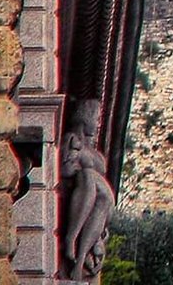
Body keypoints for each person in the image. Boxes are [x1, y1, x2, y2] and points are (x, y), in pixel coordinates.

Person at [61, 99, 115, 280]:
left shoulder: (92, 151)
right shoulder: (72, 139)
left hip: (103, 200)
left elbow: (100, 165)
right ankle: (72, 239)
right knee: (88, 177)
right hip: (87, 189)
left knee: (102, 194)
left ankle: (81, 255)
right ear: (85, 119)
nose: (99, 124)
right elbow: (64, 169)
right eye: (97, 118)